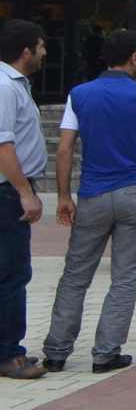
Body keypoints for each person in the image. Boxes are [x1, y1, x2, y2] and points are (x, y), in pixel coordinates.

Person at [41, 29, 136, 373]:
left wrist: (63, 196)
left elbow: (65, 149)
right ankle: (105, 353)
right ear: (134, 58)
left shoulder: (80, 94)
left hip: (94, 192)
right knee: (125, 277)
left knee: (75, 275)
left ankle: (57, 350)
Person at [0, 21, 48, 380]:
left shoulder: (16, 85)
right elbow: (4, 146)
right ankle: (8, 354)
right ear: (26, 51)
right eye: (41, 46)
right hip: (6, 191)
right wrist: (24, 192)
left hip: (10, 189)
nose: (46, 52)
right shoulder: (5, 86)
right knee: (13, 273)